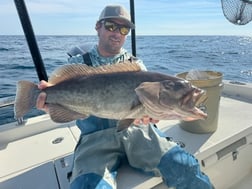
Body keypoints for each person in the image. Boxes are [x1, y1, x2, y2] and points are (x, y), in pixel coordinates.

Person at [36, 5, 213, 189]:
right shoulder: (79, 64)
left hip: (139, 134)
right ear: (98, 26)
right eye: (111, 26)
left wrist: (151, 116)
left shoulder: (136, 65)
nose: (117, 33)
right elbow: (57, 89)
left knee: (187, 168)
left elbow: (148, 112)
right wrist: (50, 100)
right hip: (95, 141)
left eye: (123, 29)